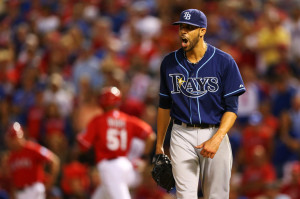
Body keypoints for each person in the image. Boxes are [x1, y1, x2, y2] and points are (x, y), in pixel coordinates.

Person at [155, 9, 246, 199]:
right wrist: (159, 146)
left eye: (189, 28)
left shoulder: (224, 61)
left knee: (217, 195)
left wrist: (218, 137)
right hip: (181, 134)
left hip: (215, 131)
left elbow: (232, 109)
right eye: (181, 27)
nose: (183, 32)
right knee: (185, 195)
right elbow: (164, 106)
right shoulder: (169, 62)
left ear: (202, 31)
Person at [77, 86, 156, 199]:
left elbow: (83, 145)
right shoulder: (127, 119)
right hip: (125, 164)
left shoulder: (98, 120)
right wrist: (143, 157)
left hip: (109, 167)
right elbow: (151, 136)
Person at [5, 122, 60, 199]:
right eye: (11, 139)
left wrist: (50, 182)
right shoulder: (11, 156)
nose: (13, 141)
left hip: (34, 190)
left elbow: (54, 160)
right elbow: (13, 179)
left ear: (21, 136)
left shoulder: (32, 148)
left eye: (15, 137)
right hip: (19, 193)